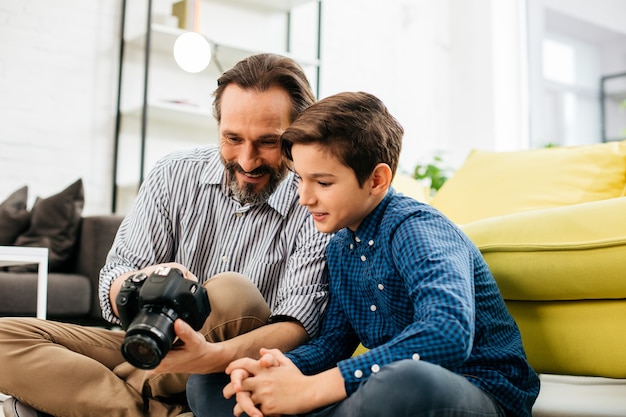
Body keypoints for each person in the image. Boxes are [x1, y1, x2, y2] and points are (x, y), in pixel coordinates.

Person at [0, 53, 331, 417]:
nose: (247, 160)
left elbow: (297, 327)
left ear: (297, 135)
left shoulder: (315, 200)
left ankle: (75, 398)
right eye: (232, 138)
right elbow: (115, 274)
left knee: (231, 292)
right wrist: (141, 284)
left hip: (232, 363)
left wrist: (207, 354)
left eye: (268, 142)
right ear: (218, 126)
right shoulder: (173, 174)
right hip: (146, 341)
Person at [221, 91, 541, 417]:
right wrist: (280, 366)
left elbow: (447, 333)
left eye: (324, 182)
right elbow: (333, 343)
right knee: (220, 385)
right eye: (301, 179)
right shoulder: (340, 248)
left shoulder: (417, 228)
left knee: (406, 380)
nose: (305, 198)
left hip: (477, 388)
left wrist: (314, 388)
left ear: (377, 179)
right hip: (384, 393)